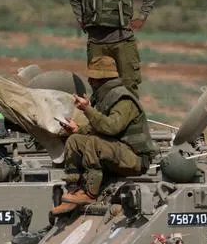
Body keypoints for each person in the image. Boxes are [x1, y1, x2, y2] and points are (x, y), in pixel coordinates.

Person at [51, 56, 157, 215]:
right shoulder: (104, 98)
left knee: (93, 142)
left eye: (92, 78)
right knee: (74, 141)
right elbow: (99, 127)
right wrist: (76, 130)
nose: (90, 81)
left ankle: (90, 193)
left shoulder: (123, 99)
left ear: (99, 79)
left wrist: (87, 110)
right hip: (117, 151)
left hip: (135, 158)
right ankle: (74, 190)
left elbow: (110, 128)